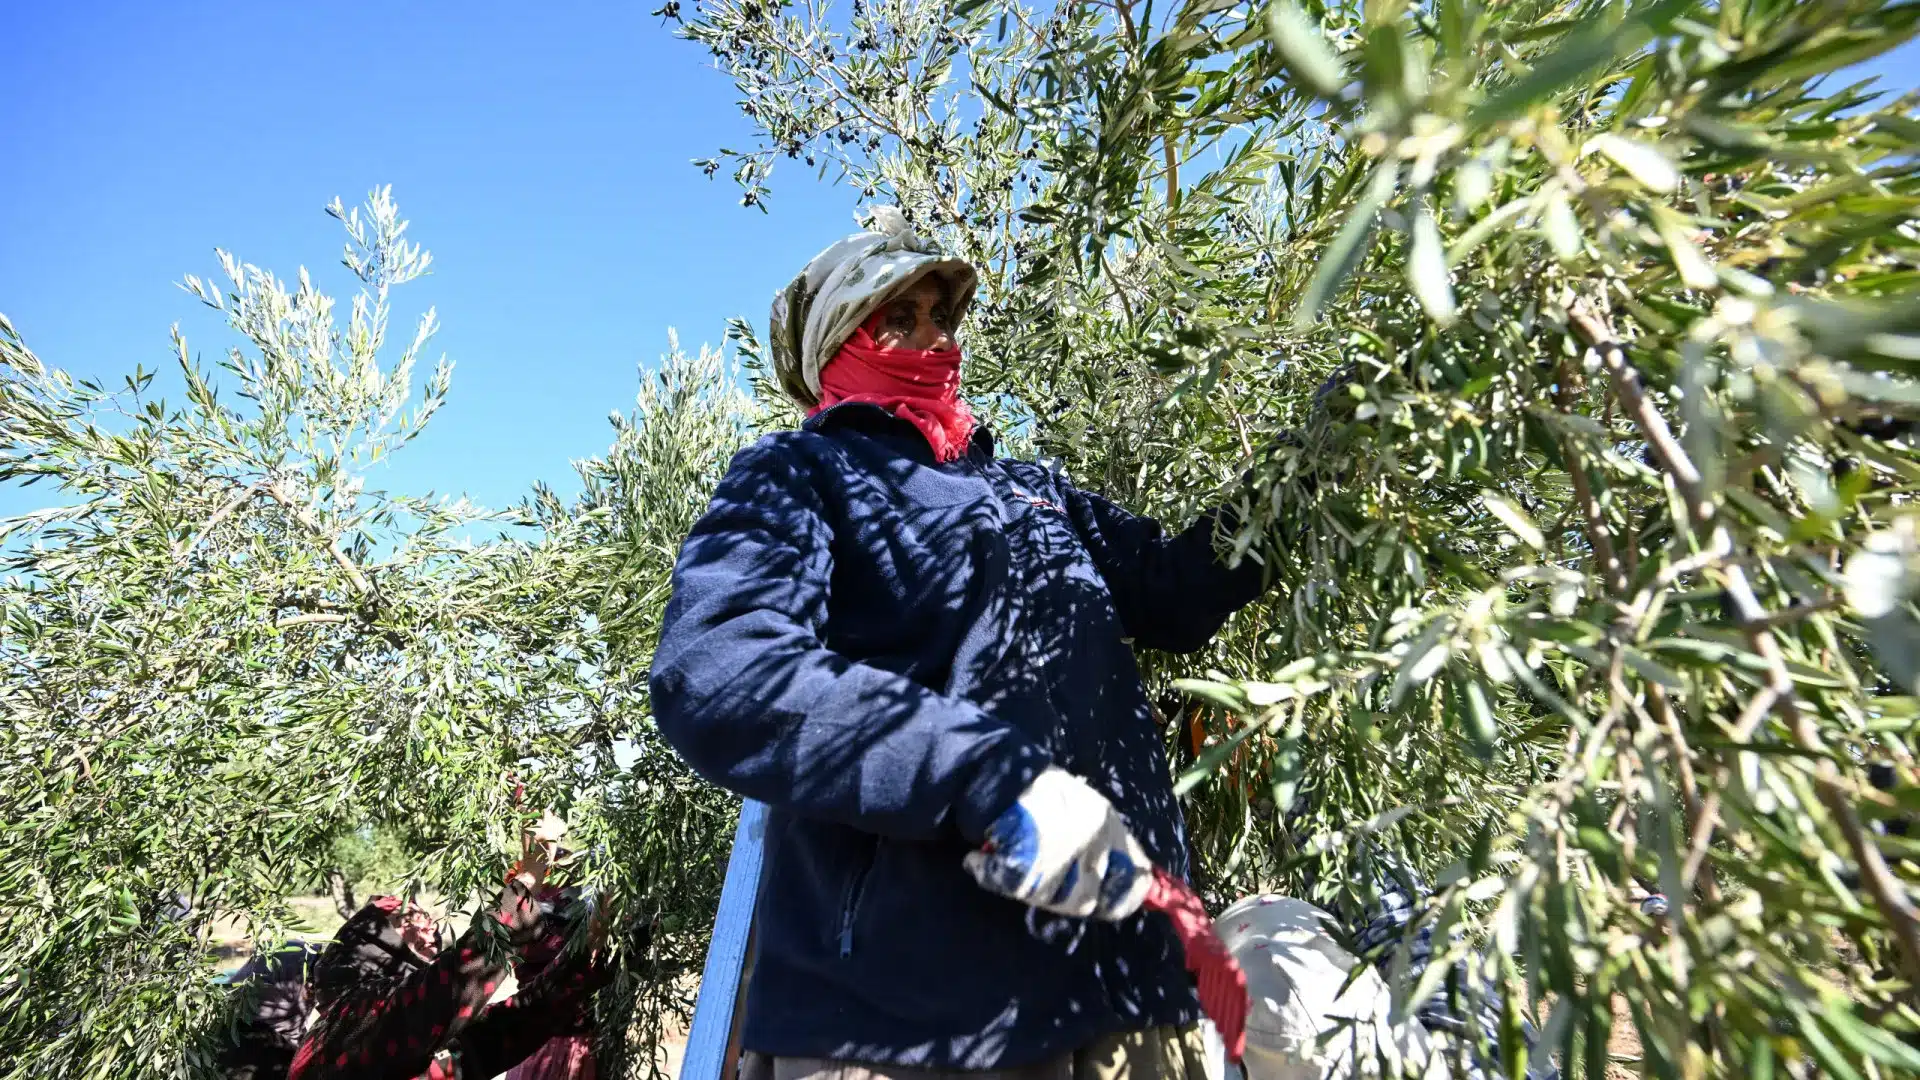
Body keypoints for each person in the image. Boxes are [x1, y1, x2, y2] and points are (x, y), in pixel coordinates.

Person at [650, 208, 1285, 1079]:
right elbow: (722, 670)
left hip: (1133, 994)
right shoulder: (798, 475)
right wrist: (984, 777)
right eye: (895, 320)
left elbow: (1177, 591)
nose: (931, 339)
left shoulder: (1030, 490)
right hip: (908, 1018)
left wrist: (1308, 473)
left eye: (939, 317)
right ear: (833, 349)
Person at [287, 815, 614, 1080]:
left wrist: (590, 951)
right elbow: (453, 985)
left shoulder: (412, 1033)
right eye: (410, 919)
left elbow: (514, 1025)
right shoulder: (357, 1017)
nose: (429, 924)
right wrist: (529, 876)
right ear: (375, 946)